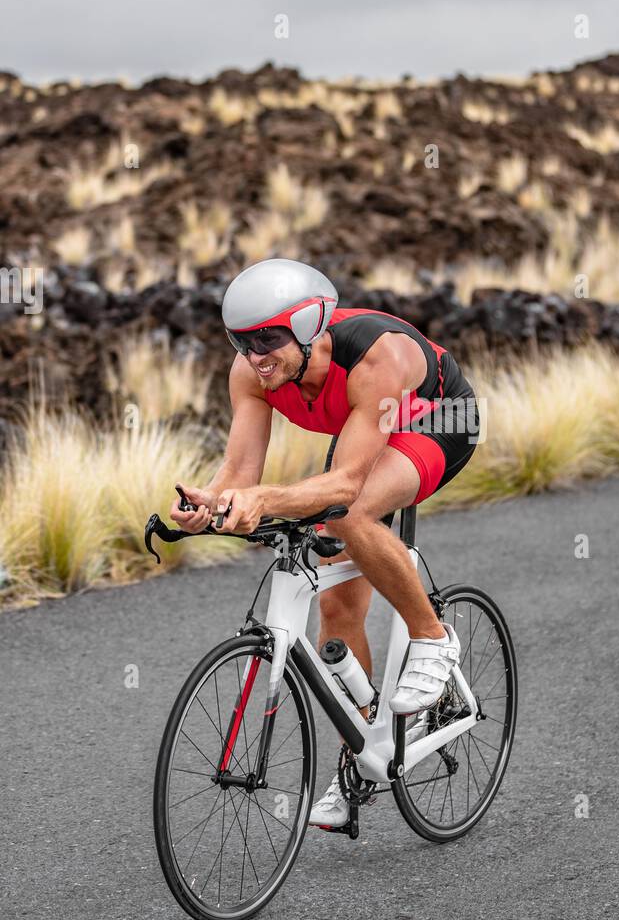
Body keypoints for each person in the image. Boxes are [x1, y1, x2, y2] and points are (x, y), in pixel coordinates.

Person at [171, 258, 480, 829]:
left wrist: (267, 500)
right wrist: (208, 507)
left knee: (350, 511)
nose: (255, 354)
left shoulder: (372, 356)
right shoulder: (252, 373)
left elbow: (343, 485)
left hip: (437, 418)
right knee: (336, 612)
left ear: (309, 326)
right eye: (241, 341)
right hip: (368, 429)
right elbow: (240, 468)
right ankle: (362, 756)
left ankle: (433, 639)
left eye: (268, 337)